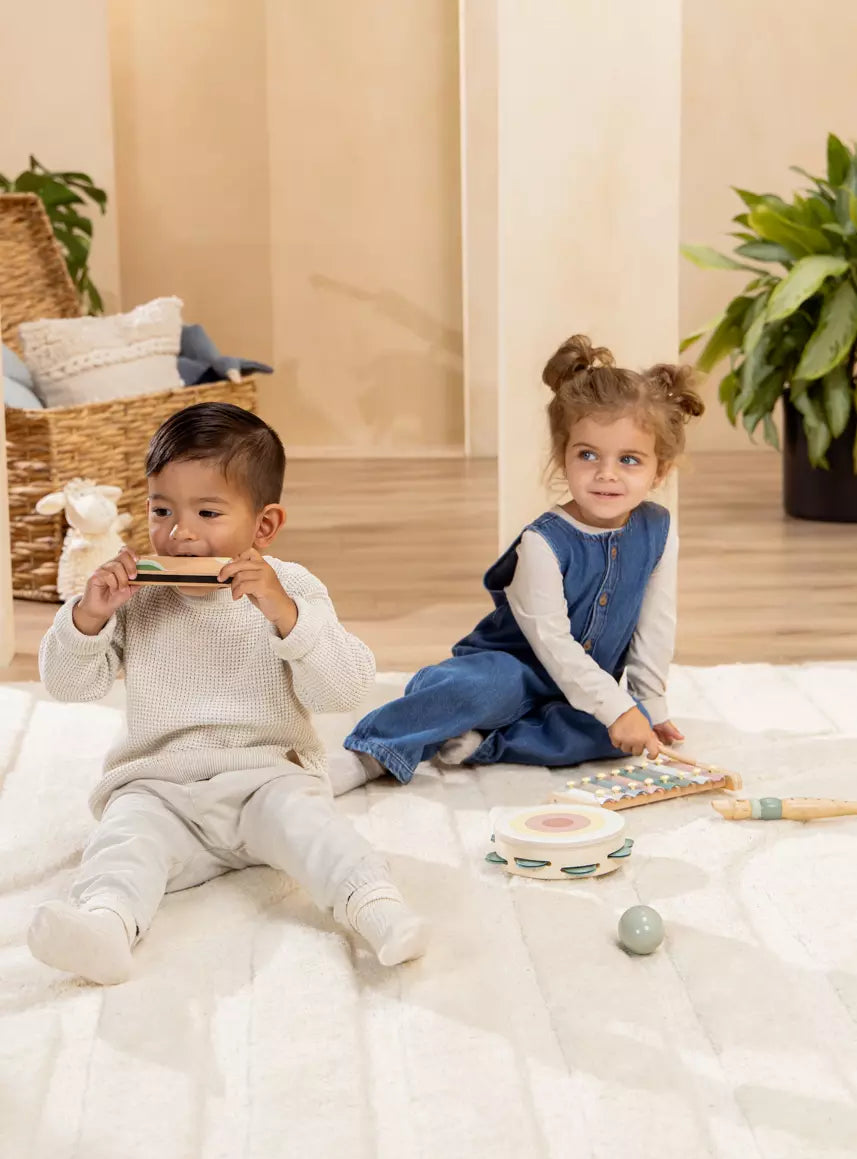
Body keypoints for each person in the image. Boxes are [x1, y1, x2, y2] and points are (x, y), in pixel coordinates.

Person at [29, 402, 429, 984]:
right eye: (162, 510)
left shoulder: (291, 588)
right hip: (159, 786)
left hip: (267, 778)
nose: (180, 532)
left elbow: (343, 689)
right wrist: (88, 617)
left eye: (207, 512)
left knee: (317, 831)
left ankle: (379, 910)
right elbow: (69, 684)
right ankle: (106, 926)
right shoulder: (137, 595)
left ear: (263, 526)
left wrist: (286, 616)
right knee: (124, 840)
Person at [329, 334, 704, 796]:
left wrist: (649, 706)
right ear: (563, 457)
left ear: (659, 470)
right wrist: (616, 707)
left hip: (580, 690)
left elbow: (654, 628)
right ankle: (373, 750)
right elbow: (552, 643)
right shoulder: (542, 543)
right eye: (588, 455)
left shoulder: (659, 530)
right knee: (486, 689)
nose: (606, 473)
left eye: (629, 460)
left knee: (624, 731)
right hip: (511, 670)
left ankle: (481, 743)